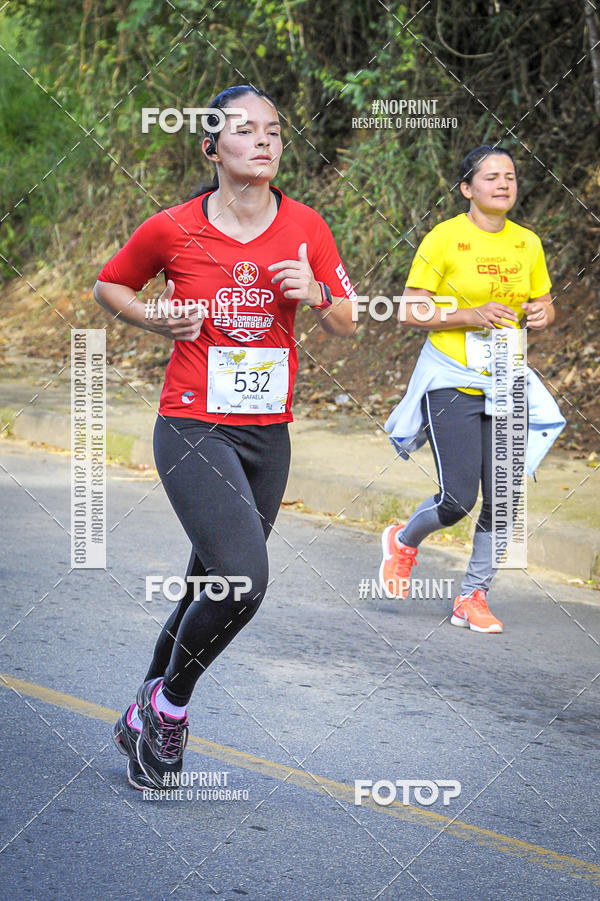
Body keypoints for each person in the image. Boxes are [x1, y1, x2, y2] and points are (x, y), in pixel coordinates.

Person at [94, 85, 357, 789]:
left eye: (273, 129)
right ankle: (169, 707)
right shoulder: (172, 227)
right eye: (246, 130)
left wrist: (318, 292)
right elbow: (109, 285)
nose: (265, 140)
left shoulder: (306, 225)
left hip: (268, 437)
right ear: (212, 147)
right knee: (243, 580)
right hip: (191, 425)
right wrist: (157, 319)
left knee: (207, 585)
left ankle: (139, 712)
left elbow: (348, 321)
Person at [379, 144, 559, 634]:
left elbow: (541, 302)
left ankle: (473, 595)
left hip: (506, 379)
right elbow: (409, 310)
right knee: (458, 499)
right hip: (453, 380)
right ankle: (404, 539)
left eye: (511, 177)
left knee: (503, 498)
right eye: (490, 177)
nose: (503, 184)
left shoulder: (527, 244)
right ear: (467, 188)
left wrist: (544, 312)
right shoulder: (444, 239)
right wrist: (467, 315)